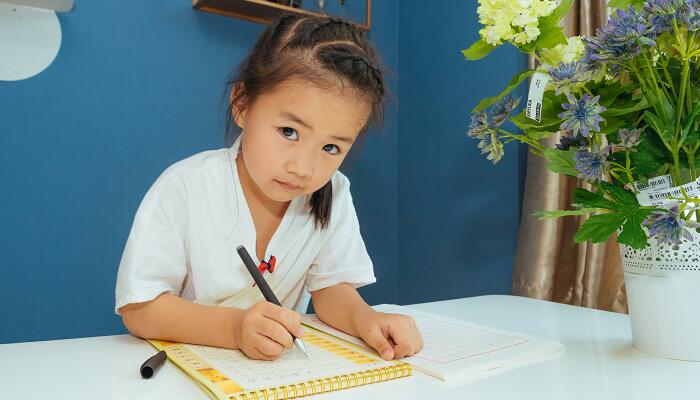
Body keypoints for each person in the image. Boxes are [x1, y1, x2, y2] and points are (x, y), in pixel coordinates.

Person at [115, 14, 422, 361]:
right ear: (242, 104)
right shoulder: (186, 186)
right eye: (289, 132)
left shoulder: (333, 192)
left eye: (331, 148)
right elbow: (140, 309)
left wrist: (366, 319)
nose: (303, 168)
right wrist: (234, 328)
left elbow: (330, 290)